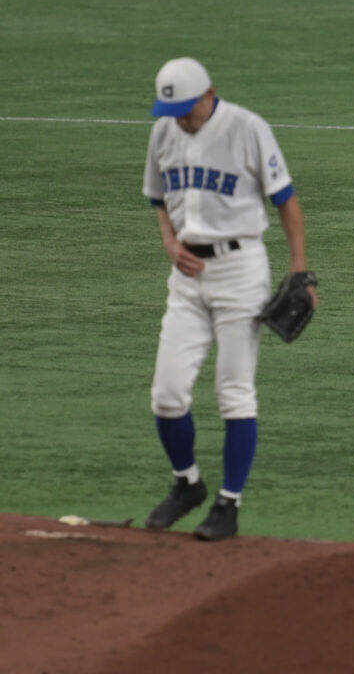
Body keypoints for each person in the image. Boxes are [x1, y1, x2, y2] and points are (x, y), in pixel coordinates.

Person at [142, 56, 318, 540]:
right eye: (170, 108)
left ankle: (228, 505)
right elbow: (158, 198)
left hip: (241, 271)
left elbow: (287, 202)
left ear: (208, 94)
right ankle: (188, 485)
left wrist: (300, 273)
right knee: (167, 394)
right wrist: (169, 241)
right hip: (186, 278)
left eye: (184, 108)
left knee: (234, 390)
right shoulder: (163, 133)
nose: (178, 117)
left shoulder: (247, 128)